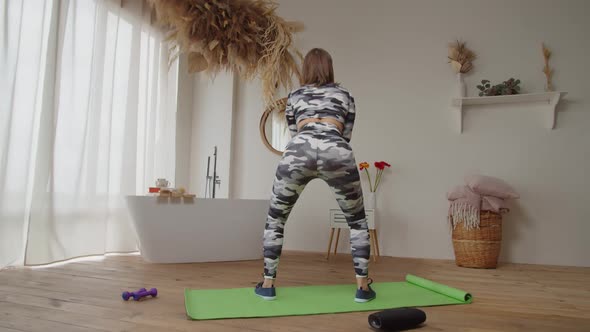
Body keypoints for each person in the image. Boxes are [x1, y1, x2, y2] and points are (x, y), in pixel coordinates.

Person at [254, 48, 375, 303]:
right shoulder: (345, 95)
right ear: (330, 67)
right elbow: (347, 134)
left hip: (299, 151)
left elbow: (292, 133)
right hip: (336, 151)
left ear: (305, 69)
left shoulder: (295, 96)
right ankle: (363, 288)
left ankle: (267, 284)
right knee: (357, 222)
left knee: (276, 220)